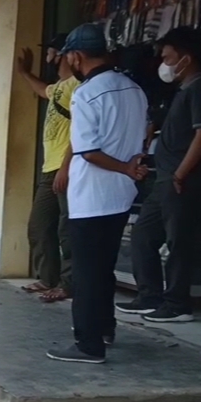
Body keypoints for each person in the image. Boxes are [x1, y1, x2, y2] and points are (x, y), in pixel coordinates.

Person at [46, 23, 149, 364]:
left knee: (87, 271)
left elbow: (88, 151)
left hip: (92, 195)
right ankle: (105, 327)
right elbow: (142, 133)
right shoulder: (134, 88)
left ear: (76, 56)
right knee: (103, 267)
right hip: (121, 195)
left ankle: (88, 343)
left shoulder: (86, 94)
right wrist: (132, 166)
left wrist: (122, 166)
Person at [117, 27, 201, 323]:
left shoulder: (200, 87)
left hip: (179, 180)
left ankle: (178, 303)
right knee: (143, 235)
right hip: (164, 179)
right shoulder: (182, 89)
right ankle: (149, 296)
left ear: (186, 58)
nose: (164, 62)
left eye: (168, 56)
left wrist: (180, 174)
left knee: (177, 243)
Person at [15, 34, 78, 303]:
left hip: (66, 167)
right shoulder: (60, 87)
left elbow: (81, 131)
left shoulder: (78, 86)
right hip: (49, 168)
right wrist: (24, 73)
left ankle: (68, 284)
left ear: (64, 54)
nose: (49, 58)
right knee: (39, 226)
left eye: (52, 52)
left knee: (67, 230)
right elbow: (43, 90)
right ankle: (48, 277)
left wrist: (66, 167)